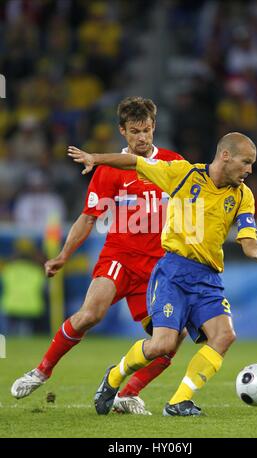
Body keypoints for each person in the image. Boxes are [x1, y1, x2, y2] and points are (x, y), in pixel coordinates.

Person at [67, 131, 257, 416]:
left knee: (225, 336)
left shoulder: (243, 196)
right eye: (246, 162)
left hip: (208, 278)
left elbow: (247, 237)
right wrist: (96, 158)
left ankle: (179, 401)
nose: (250, 170)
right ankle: (115, 376)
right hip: (174, 272)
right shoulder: (183, 174)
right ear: (225, 156)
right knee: (162, 345)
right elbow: (133, 162)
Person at [11, 96, 185, 415]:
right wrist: (63, 254)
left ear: (154, 127)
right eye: (135, 131)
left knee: (173, 338)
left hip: (157, 270)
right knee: (91, 313)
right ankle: (42, 370)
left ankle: (128, 394)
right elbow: (88, 217)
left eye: (147, 130)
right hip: (119, 257)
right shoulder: (109, 169)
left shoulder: (173, 163)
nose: (142, 137)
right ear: (122, 131)